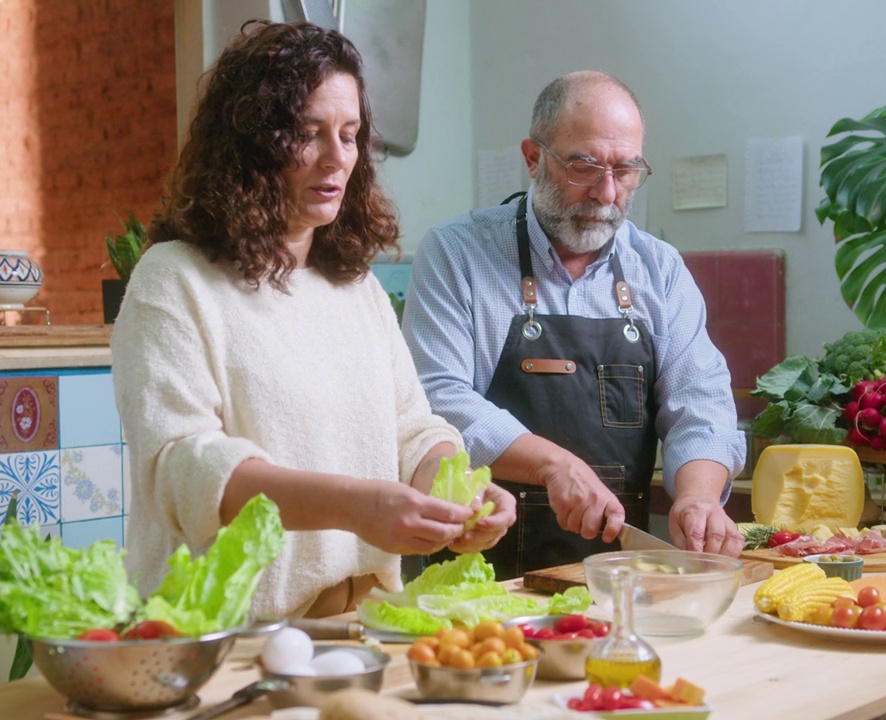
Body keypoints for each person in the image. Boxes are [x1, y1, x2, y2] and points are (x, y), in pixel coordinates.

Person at [111, 20, 516, 619]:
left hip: (364, 625)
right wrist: (355, 506)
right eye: (309, 133)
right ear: (250, 142)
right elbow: (185, 469)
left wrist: (456, 490)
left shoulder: (356, 289)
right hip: (223, 640)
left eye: (349, 135)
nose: (337, 158)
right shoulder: (172, 280)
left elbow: (412, 431)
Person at [402, 71, 745, 579]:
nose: (606, 192)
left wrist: (696, 498)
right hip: (479, 575)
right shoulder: (457, 253)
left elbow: (702, 403)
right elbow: (436, 398)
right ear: (533, 157)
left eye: (626, 170)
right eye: (584, 165)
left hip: (619, 578)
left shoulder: (661, 270)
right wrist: (554, 465)